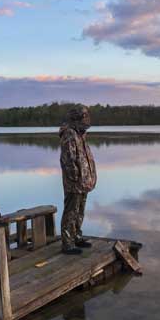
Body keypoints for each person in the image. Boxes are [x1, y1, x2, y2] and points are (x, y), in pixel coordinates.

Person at [59, 104, 97, 255]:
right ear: (76, 118)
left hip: (83, 181)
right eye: (84, 117)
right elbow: (68, 159)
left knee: (80, 210)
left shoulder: (80, 134)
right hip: (74, 183)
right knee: (71, 211)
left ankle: (76, 236)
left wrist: (88, 177)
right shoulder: (69, 134)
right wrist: (75, 177)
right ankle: (67, 244)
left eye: (87, 116)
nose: (87, 120)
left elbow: (83, 156)